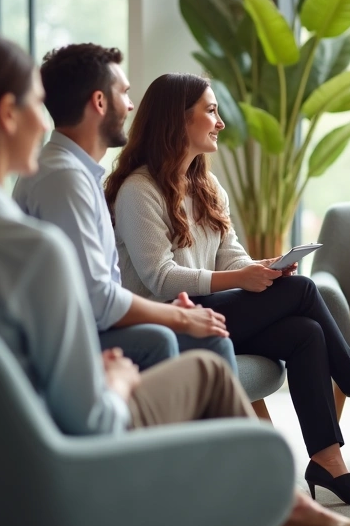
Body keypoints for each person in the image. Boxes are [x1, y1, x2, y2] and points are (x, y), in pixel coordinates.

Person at [0, 29, 350, 526]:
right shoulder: (34, 248)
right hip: (41, 470)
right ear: (6, 114)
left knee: (251, 337)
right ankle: (271, 503)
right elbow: (92, 418)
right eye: (39, 106)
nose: (47, 122)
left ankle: (279, 505)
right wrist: (117, 381)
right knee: (201, 367)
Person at [106, 73, 350, 505]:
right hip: (170, 319)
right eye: (210, 110)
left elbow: (230, 256)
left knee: (307, 332)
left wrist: (262, 269)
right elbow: (161, 278)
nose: (219, 122)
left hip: (210, 309)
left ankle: (329, 462)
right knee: (301, 292)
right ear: (177, 119)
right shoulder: (139, 190)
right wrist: (241, 279)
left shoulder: (206, 186)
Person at [13, 43, 237, 373]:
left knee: (224, 336)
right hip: (69, 340)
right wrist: (178, 316)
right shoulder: (64, 180)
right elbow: (99, 301)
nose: (132, 106)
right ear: (99, 102)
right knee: (196, 340)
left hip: (89, 324)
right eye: (124, 93)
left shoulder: (75, 174)